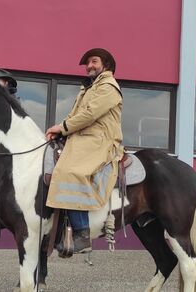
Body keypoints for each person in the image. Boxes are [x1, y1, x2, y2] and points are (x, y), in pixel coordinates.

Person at [44, 48, 124, 254]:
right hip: (82, 139)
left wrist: (61, 127)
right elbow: (75, 115)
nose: (90, 66)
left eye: (94, 61)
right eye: (88, 63)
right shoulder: (89, 88)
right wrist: (61, 132)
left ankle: (82, 234)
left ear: (106, 65)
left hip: (100, 141)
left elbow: (89, 115)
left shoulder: (108, 87)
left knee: (69, 171)